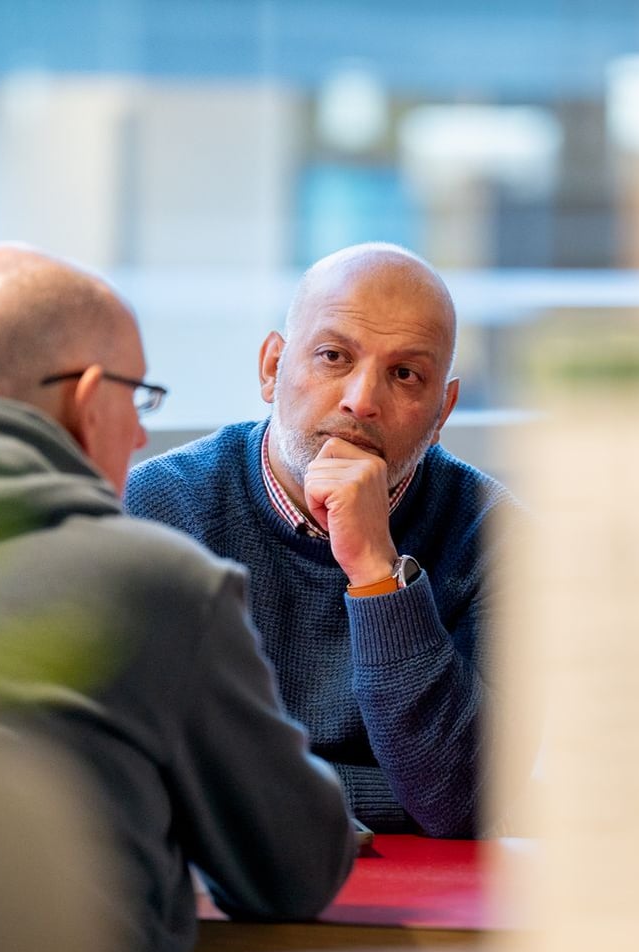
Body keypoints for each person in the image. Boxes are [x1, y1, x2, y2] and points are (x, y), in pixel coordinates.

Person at [0, 243, 355, 952]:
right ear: (88, 401)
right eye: (137, 397)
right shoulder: (147, 584)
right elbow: (292, 871)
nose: (141, 432)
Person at [126, 242, 529, 839]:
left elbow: (463, 802)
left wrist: (375, 569)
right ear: (272, 368)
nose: (362, 400)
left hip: (426, 911)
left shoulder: (502, 539)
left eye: (404, 374)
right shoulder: (156, 511)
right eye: (334, 356)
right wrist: (385, 796)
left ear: (442, 411)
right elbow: (138, 775)